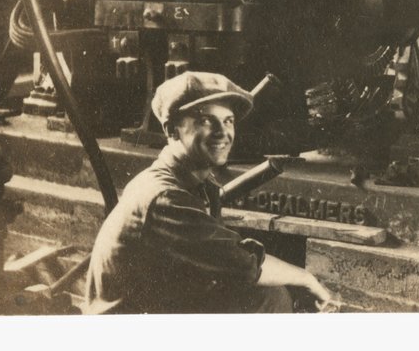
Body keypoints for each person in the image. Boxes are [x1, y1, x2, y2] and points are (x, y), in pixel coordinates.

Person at [84, 71, 332, 314]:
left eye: (228, 120)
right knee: (269, 299)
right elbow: (244, 265)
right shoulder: (165, 196)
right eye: (205, 120)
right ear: (172, 130)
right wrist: (306, 279)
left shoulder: (191, 184)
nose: (223, 133)